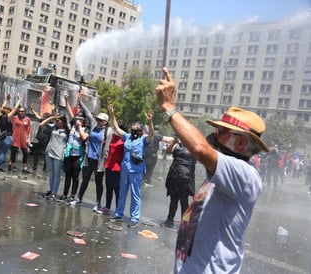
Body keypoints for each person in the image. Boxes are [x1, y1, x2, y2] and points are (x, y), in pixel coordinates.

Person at [155, 67, 269, 273]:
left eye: (221, 131)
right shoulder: (225, 171)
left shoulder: (244, 174)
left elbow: (200, 148)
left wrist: (170, 107)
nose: (214, 135)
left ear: (241, 142)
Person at [108, 105, 154, 228]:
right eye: (132, 129)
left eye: (136, 130)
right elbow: (117, 128)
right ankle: (119, 213)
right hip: (125, 169)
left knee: (135, 194)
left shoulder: (144, 140)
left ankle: (134, 217)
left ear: (141, 131)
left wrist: (150, 121)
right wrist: (112, 114)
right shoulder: (127, 137)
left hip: (136, 171)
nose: (134, 132)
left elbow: (151, 134)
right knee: (122, 192)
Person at [72, 98, 111, 212]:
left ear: (105, 122)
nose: (98, 121)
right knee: (85, 179)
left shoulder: (108, 131)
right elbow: (88, 113)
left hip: (99, 161)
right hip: (89, 158)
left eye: (101, 120)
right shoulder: (94, 125)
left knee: (99, 183)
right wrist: (80, 102)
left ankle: (98, 203)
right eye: (98, 119)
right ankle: (79, 198)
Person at [161, 136, 196, 229]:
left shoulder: (193, 147)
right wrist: (173, 143)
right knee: (173, 200)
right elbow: (168, 152)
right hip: (174, 175)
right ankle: (169, 220)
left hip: (185, 178)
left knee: (183, 201)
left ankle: (184, 224)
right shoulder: (177, 145)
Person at [60, 94, 89, 204]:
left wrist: (80, 127)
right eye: (77, 120)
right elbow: (69, 112)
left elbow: (83, 138)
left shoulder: (85, 129)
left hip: (78, 156)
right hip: (69, 154)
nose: (77, 121)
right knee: (67, 174)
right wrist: (67, 99)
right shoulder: (72, 125)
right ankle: (65, 193)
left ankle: (73, 195)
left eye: (80, 120)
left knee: (75, 176)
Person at [40, 114, 69, 200]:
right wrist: (51, 118)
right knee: (51, 173)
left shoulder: (67, 130)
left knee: (57, 174)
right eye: (56, 120)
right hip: (50, 151)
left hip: (59, 153)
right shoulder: (53, 127)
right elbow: (41, 125)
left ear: (63, 122)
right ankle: (51, 190)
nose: (57, 122)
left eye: (59, 120)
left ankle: (54, 192)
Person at [102, 119, 127, 215]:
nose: (115, 130)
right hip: (109, 165)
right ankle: (107, 206)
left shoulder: (124, 139)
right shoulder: (113, 136)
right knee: (109, 187)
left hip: (118, 167)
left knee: (117, 189)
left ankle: (118, 209)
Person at [0, 94, 21, 171]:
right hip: (8, 137)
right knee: (3, 152)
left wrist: (7, 99)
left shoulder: (1, 116)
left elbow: (2, 107)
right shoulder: (7, 117)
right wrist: (19, 99)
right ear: (8, 112)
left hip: (2, 136)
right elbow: (15, 108)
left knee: (1, 151)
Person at [8, 105, 32, 173]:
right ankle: (12, 165)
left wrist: (28, 140)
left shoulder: (28, 119)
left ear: (25, 112)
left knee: (25, 152)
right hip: (15, 137)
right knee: (13, 152)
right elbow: (10, 123)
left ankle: (24, 167)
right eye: (20, 111)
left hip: (23, 139)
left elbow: (29, 130)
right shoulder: (15, 118)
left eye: (22, 111)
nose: (21, 112)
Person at [31, 108, 54, 173]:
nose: (43, 117)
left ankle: (45, 167)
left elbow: (52, 117)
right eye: (43, 116)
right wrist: (33, 110)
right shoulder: (41, 121)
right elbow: (37, 116)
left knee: (45, 154)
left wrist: (52, 110)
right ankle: (35, 166)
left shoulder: (50, 124)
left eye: (45, 116)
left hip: (46, 140)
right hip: (39, 139)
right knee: (36, 152)